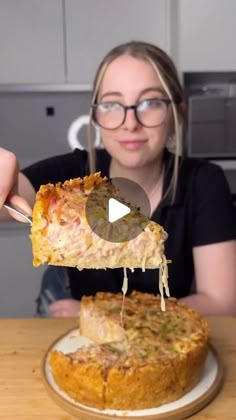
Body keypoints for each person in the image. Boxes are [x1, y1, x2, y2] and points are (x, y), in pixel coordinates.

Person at [0, 41, 235, 318]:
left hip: (165, 344)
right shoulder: (72, 179)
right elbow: (10, 200)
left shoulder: (203, 182)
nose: (130, 122)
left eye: (150, 102)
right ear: (96, 116)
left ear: (177, 113)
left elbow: (223, 303)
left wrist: (107, 314)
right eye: (112, 104)